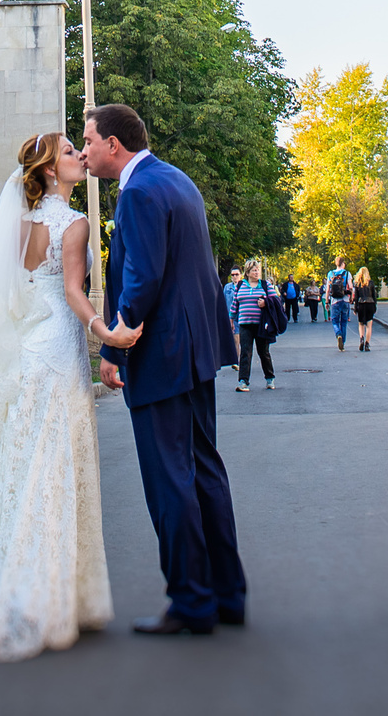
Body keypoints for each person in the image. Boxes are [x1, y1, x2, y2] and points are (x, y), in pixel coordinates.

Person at [0, 131, 121, 660]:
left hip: (26, 350)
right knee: (57, 465)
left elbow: (13, 290)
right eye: (68, 153)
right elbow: (73, 293)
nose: (79, 157)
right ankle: (53, 599)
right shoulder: (75, 224)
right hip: (58, 347)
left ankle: (15, 593)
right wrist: (104, 334)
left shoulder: (17, 224)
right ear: (49, 171)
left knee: (24, 464)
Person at [86, 102, 248, 635]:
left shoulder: (135, 193)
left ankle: (191, 602)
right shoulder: (178, 180)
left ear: (114, 144)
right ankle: (227, 595)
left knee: (168, 481)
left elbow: (143, 277)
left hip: (162, 356)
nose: (85, 151)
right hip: (200, 352)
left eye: (88, 140)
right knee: (204, 471)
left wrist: (113, 349)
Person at [231, 262, 277, 392]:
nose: (256, 273)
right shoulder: (241, 285)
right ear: (247, 272)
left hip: (261, 325)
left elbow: (275, 300)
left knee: (264, 352)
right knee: (245, 352)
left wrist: (265, 302)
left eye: (258, 270)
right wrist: (231, 318)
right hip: (245, 324)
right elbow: (235, 303)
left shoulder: (265, 285)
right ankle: (243, 381)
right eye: (253, 270)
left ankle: (270, 378)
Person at [326, 257, 354, 351]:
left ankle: (338, 334)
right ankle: (343, 343)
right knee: (344, 322)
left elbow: (328, 289)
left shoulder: (330, 274)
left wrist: (327, 301)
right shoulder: (347, 273)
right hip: (345, 300)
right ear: (343, 264)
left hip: (334, 301)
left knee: (335, 321)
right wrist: (351, 298)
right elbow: (351, 287)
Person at [353, 266, 379, 352]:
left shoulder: (357, 284)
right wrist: (375, 306)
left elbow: (356, 297)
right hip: (370, 303)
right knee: (369, 325)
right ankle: (367, 344)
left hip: (361, 304)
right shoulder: (371, 283)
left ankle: (361, 339)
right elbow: (374, 296)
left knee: (361, 324)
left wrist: (355, 308)